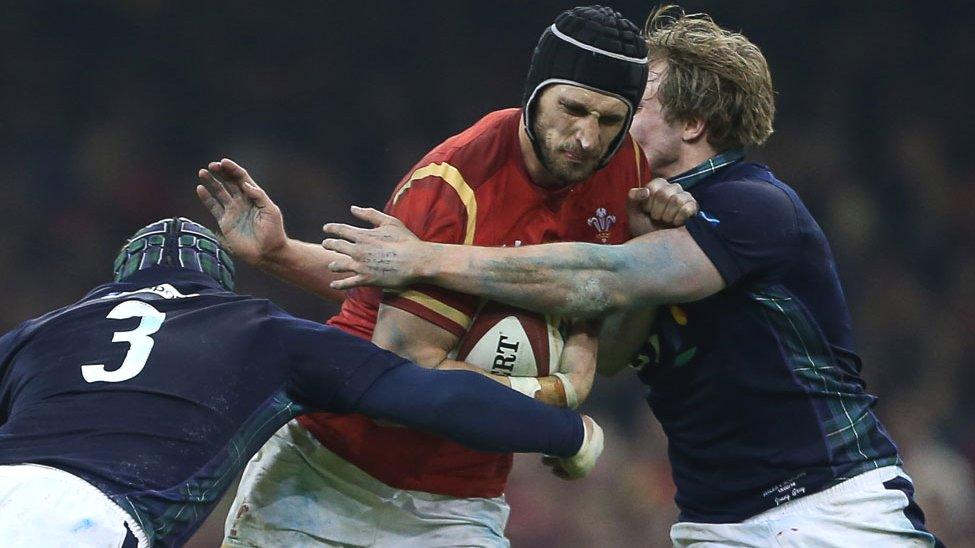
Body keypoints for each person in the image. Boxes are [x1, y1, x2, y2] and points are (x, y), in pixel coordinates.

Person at [321, 6, 943, 547]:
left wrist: (427, 256)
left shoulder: (754, 205)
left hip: (826, 507)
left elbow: (600, 279)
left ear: (692, 123)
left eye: (636, 101)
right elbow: (615, 349)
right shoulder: (638, 211)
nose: (606, 127)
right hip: (716, 520)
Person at [197, 6, 694, 546]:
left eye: (608, 119)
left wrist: (647, 252)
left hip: (460, 504)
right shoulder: (455, 183)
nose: (586, 138)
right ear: (535, 93)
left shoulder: (625, 173)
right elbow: (404, 381)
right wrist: (552, 409)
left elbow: (602, 332)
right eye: (572, 109)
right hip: (326, 481)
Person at [0, 217, 604, 547]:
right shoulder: (259, 327)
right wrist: (562, 430)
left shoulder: (39, 331)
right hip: (94, 523)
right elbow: (427, 394)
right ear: (216, 285)